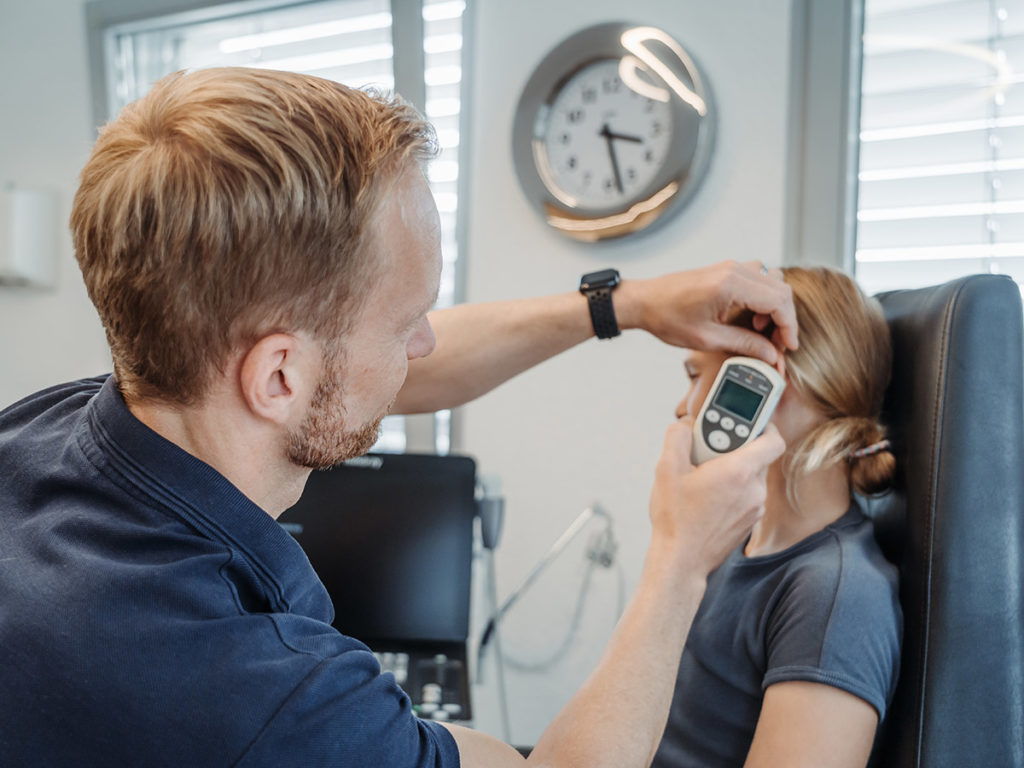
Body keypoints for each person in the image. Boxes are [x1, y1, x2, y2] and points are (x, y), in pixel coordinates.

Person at [0, 68, 798, 767]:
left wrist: (622, 306)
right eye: (406, 318)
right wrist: (682, 555)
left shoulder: (48, 431)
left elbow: (352, 372)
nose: (424, 343)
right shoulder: (255, 692)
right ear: (278, 374)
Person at [652, 267, 902, 768]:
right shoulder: (731, 538)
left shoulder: (836, 598)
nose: (682, 408)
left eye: (696, 377)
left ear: (769, 383)